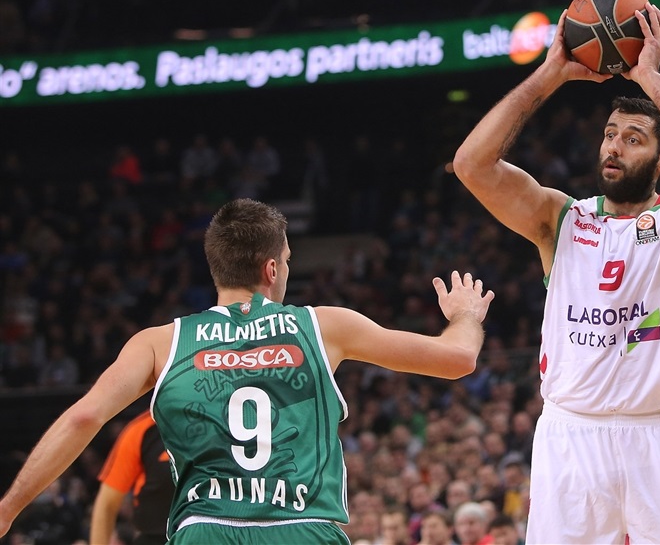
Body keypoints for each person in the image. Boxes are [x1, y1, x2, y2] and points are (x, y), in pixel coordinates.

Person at [0, 199, 494, 544]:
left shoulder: (159, 342)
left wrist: (7, 508)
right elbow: (457, 360)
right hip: (303, 527)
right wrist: (466, 317)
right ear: (273, 269)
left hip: (204, 530)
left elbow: (83, 419)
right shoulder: (324, 326)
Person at [453, 1, 660, 544]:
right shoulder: (559, 219)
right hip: (571, 433)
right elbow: (472, 165)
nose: (614, 146)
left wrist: (652, 80)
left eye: (634, 139)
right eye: (610, 134)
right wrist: (550, 73)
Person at [90, 410, 173, 545]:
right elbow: (107, 504)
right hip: (156, 537)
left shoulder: (218, 420)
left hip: (213, 533)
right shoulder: (143, 429)